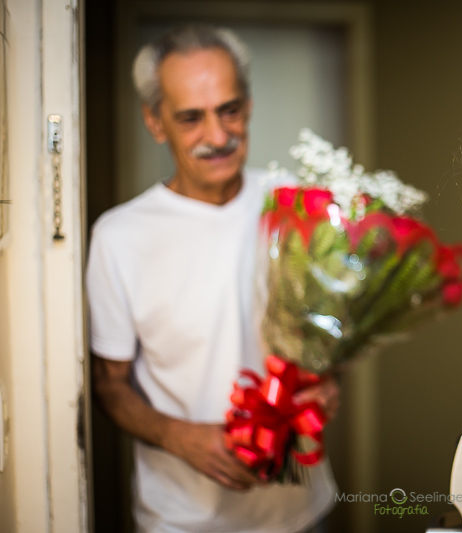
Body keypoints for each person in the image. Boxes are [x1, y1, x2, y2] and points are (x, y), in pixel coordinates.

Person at [87, 25, 338, 533]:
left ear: (248, 106)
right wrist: (178, 435)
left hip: (301, 511)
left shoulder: (295, 204)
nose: (218, 137)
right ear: (154, 122)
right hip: (181, 519)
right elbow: (109, 385)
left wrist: (331, 382)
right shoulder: (118, 237)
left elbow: (328, 333)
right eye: (190, 118)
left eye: (228, 110)